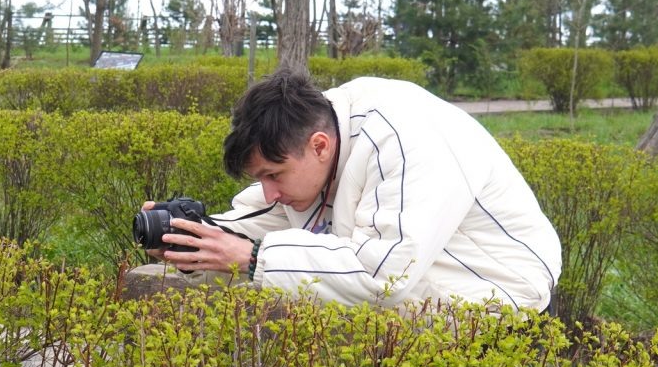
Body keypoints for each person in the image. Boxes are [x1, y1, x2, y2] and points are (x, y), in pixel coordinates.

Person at [139, 68, 561, 312]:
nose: (268, 192)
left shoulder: (406, 137)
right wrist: (195, 243)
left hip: (498, 294)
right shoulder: (319, 127)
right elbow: (261, 219)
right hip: (426, 286)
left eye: (273, 175)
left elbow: (384, 275)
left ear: (319, 147)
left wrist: (250, 260)